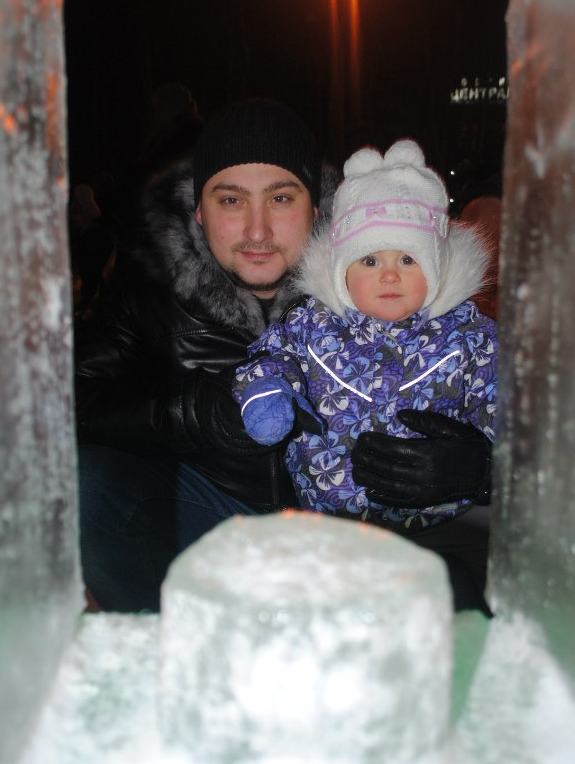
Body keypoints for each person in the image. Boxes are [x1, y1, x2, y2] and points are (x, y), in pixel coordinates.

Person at [75, 103, 494, 614]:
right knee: (88, 487)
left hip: (373, 531)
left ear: (315, 208)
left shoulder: (384, 267)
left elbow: (540, 424)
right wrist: (201, 412)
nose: (257, 231)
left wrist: (482, 470)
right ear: (199, 210)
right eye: (231, 200)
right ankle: (180, 643)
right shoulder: (151, 284)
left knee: (455, 602)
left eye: (280, 198)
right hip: (224, 514)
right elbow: (67, 399)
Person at [233, 139, 497, 612]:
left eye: (408, 260)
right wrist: (267, 393)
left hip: (439, 525)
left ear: (436, 268)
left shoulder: (468, 337)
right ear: (342, 271)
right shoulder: (313, 326)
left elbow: (505, 400)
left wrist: (489, 464)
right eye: (370, 261)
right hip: (332, 525)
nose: (389, 276)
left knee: (449, 607)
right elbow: (270, 356)